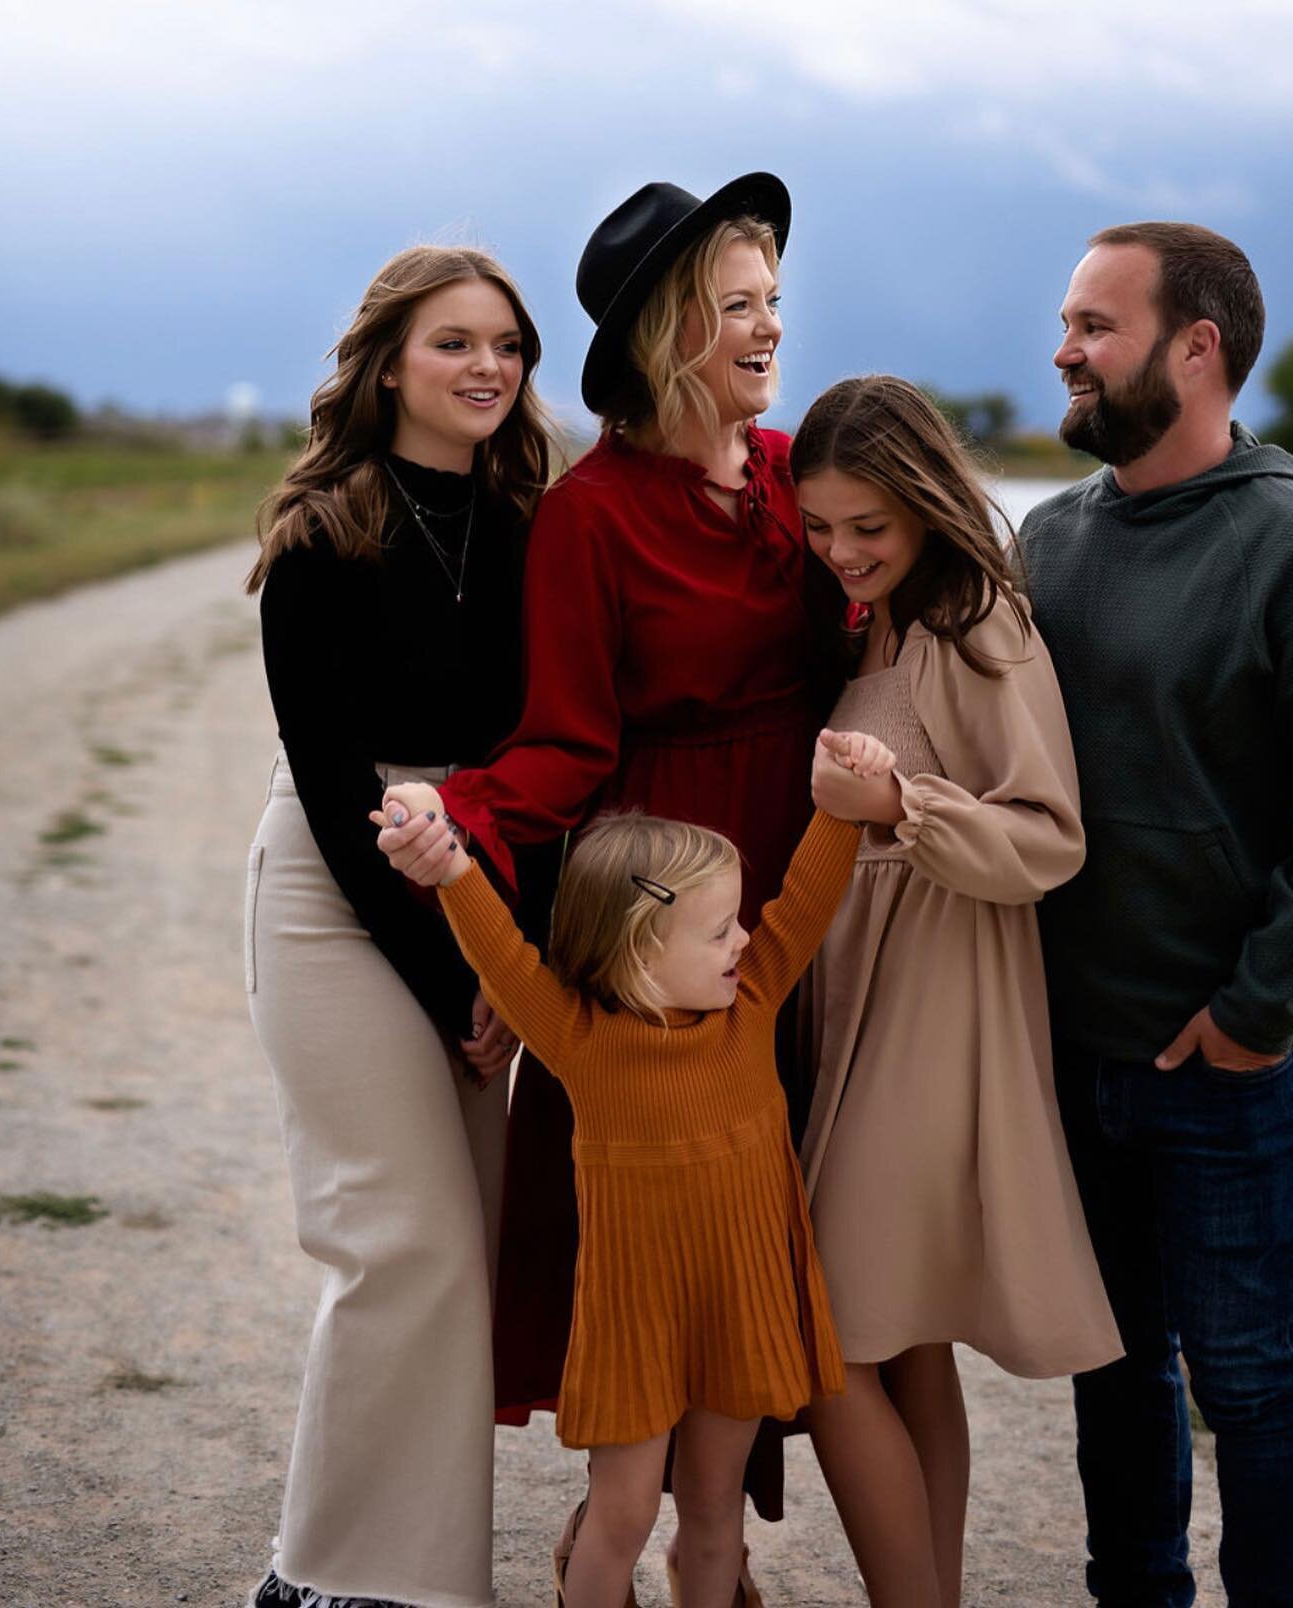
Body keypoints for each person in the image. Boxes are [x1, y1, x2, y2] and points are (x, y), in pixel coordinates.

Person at [379, 174, 817, 1569]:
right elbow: (564, 746)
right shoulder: (591, 515)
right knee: (643, 1235)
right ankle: (624, 1542)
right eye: (736, 308)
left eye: (771, 305)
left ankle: (715, 1542)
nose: (765, 331)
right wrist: (463, 829)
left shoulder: (804, 473)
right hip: (655, 906)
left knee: (766, 1225)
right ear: (666, 335)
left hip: (801, 891)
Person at [1020, 221, 1293, 1608]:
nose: (1063, 350)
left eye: (1095, 326)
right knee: (1114, 1366)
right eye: (1067, 323)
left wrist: (1254, 1012)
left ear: (1199, 348)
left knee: (1249, 1376)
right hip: (1076, 1054)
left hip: (1226, 1065)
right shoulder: (1049, 542)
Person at [372, 730, 896, 1608]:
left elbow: (809, 895)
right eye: (719, 929)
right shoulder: (581, 1041)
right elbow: (503, 952)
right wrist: (452, 870)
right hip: (633, 1326)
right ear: (640, 953)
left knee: (713, 1501)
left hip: (739, 1306)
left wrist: (848, 793)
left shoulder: (754, 998)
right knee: (618, 1514)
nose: (743, 939)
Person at [242, 246, 555, 1608]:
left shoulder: (540, 524)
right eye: (453, 343)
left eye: (507, 345)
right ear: (385, 362)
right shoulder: (323, 532)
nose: (487, 367)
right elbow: (327, 784)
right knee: (404, 1236)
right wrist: (457, 984)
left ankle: (332, 1574)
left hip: (481, 885)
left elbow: (549, 752)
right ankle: (364, 1586)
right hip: (337, 888)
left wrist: (510, 958)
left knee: (459, 1246)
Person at [789, 375, 1122, 1608]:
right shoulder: (877, 619)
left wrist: (899, 808)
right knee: (909, 1340)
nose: (842, 552)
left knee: (826, 1333)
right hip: (858, 996)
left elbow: (1048, 838)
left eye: (866, 526)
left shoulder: (983, 621)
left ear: (926, 500)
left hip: (941, 1005)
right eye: (821, 529)